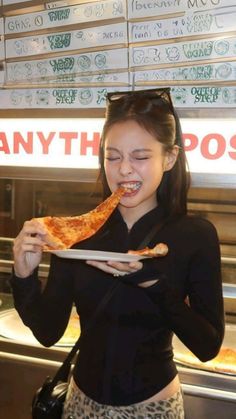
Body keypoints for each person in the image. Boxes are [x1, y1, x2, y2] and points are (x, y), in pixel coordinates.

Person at [11, 88, 224, 419]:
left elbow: (208, 346)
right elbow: (48, 332)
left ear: (169, 158)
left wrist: (153, 284)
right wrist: (23, 276)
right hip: (80, 402)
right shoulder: (80, 231)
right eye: (112, 157)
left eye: (140, 157)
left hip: (154, 405)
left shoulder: (194, 235)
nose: (124, 170)